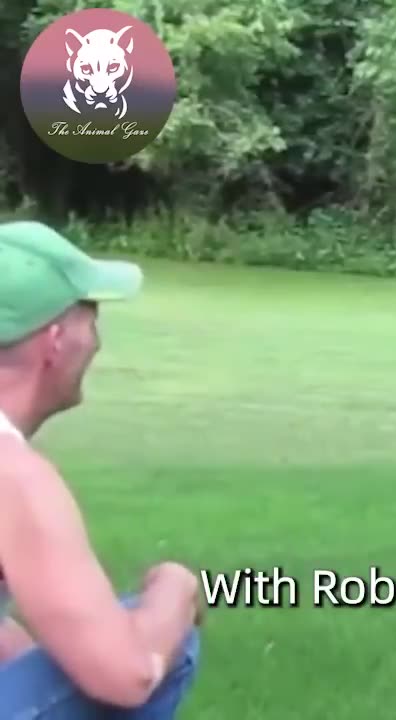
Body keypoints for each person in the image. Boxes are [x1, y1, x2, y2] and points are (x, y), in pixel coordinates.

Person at [0, 220, 203, 718]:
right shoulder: (13, 477)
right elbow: (127, 677)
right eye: (90, 317)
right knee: (159, 634)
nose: (97, 340)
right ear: (54, 341)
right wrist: (177, 587)